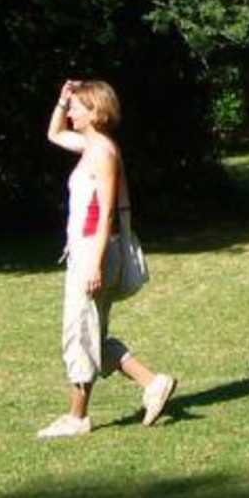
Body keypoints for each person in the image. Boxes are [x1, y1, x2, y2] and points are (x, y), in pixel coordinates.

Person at [39, 78, 177, 439]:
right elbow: (54, 134)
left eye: (76, 107)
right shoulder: (91, 145)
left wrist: (95, 263)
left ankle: (77, 418)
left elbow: (105, 215)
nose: (71, 113)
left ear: (95, 112)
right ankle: (153, 383)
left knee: (80, 332)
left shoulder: (102, 152)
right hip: (90, 250)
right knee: (93, 336)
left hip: (94, 250)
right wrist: (62, 99)